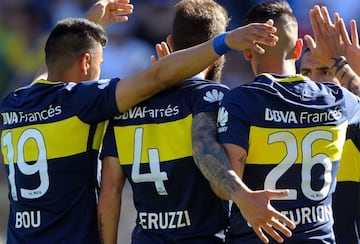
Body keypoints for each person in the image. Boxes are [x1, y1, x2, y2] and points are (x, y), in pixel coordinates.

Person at [0, 0, 282, 242]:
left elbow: (50, 71)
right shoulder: (82, 100)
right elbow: (156, 77)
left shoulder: (13, 103)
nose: (99, 73)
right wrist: (225, 41)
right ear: (86, 62)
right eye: (99, 65)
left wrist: (87, 24)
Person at [97, 0, 296, 243]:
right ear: (220, 52)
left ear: (171, 43)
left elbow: (109, 192)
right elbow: (209, 155)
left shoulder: (125, 106)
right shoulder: (214, 98)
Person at [216, 1, 360, 243]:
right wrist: (340, 62)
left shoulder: (240, 101)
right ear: (297, 50)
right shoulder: (337, 99)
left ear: (247, 51)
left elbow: (224, 185)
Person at [299, 11, 360, 243]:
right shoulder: (282, 124)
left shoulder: (354, 128)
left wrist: (350, 70)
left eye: (325, 71)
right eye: (305, 73)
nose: (313, 81)